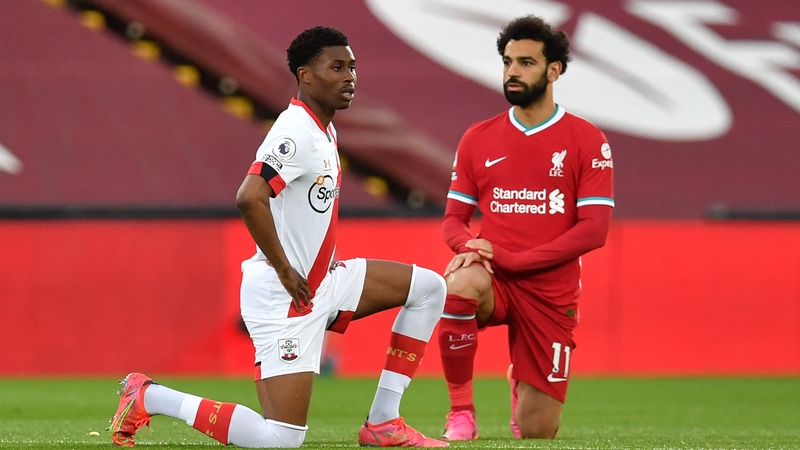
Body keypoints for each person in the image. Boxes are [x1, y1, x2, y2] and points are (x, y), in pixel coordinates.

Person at [108, 26, 449, 448]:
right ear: (305, 75)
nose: (350, 77)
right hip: (285, 296)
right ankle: (150, 395)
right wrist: (285, 268)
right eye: (337, 67)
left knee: (430, 288)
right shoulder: (296, 132)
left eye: (353, 67)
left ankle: (383, 422)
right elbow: (250, 197)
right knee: (281, 439)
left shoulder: (324, 129)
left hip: (324, 282)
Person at [437, 15, 614, 440]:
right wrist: (470, 246)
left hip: (550, 292)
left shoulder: (587, 140)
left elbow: (594, 230)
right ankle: (462, 412)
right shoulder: (478, 138)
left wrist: (515, 258)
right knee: (459, 282)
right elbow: (453, 221)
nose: (513, 71)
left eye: (527, 62)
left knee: (537, 433)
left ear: (554, 70)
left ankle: (523, 379)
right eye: (508, 61)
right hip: (493, 276)